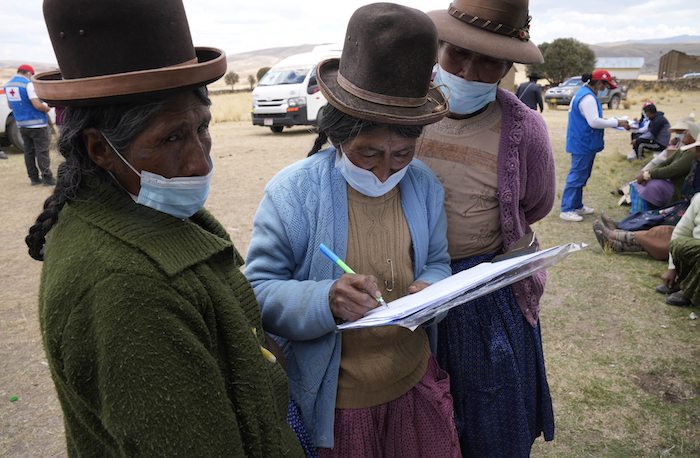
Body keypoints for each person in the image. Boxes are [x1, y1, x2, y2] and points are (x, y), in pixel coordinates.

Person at [27, 0, 303, 456]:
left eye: (203, 128)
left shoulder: (142, 206)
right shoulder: (125, 287)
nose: (200, 160)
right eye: (172, 138)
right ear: (99, 149)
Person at [245, 4, 461, 457]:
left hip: (413, 383)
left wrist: (429, 290)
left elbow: (439, 263)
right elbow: (258, 291)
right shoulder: (293, 192)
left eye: (401, 155)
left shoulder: (423, 186)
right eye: (368, 154)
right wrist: (325, 299)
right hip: (339, 406)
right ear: (339, 135)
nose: (384, 172)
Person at [416, 0, 556, 455]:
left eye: (488, 61)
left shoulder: (525, 130)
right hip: (406, 289)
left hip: (483, 294)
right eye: (457, 54)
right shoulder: (406, 112)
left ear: (506, 67)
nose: (470, 71)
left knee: (490, 418)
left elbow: (534, 204)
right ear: (438, 47)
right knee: (416, 419)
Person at [560, 69, 630, 221]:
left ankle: (577, 205)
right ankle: (567, 209)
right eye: (605, 86)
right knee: (577, 175)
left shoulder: (584, 93)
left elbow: (593, 119)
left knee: (582, 175)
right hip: (583, 142)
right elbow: (594, 122)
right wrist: (617, 122)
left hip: (584, 141)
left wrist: (614, 122)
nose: (605, 89)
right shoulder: (588, 98)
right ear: (599, 83)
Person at [630, 121, 699, 211]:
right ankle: (644, 211)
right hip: (670, 181)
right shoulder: (683, 149)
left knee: (653, 185)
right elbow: (665, 162)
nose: (685, 133)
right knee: (647, 182)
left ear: (694, 137)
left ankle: (649, 212)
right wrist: (647, 173)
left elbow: (671, 170)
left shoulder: (691, 154)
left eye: (688, 132)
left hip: (677, 188)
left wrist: (647, 175)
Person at [4, 64, 55, 185]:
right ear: (29, 73)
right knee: (42, 151)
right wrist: (46, 108)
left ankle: (34, 178)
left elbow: (11, 106)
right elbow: (37, 104)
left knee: (28, 152)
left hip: (21, 124)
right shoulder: (28, 85)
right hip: (37, 124)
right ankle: (47, 178)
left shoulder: (8, 85)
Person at [658, 192, 700, 307]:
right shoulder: (698, 199)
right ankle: (681, 281)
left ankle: (688, 292)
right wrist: (672, 268)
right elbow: (680, 232)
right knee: (678, 244)